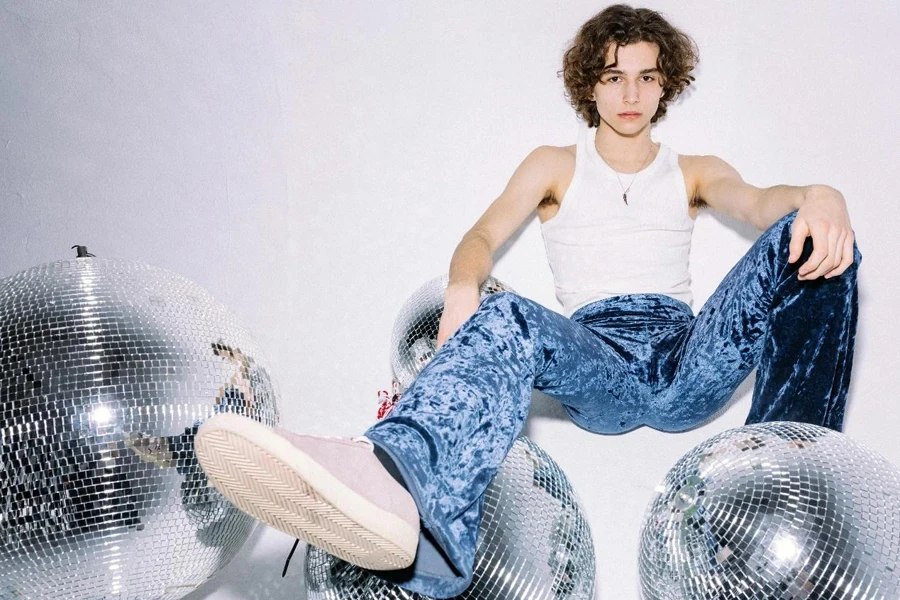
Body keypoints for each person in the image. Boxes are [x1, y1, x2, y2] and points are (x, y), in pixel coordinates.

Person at [193, 4, 860, 598]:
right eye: (613, 76)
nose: (630, 94)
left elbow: (763, 202)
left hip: (688, 358)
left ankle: (789, 486)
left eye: (646, 77)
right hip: (598, 360)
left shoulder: (693, 171)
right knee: (505, 311)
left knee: (811, 238)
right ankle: (396, 482)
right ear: (589, 84)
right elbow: (482, 235)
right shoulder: (555, 164)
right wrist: (462, 285)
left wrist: (819, 195)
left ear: (666, 84)